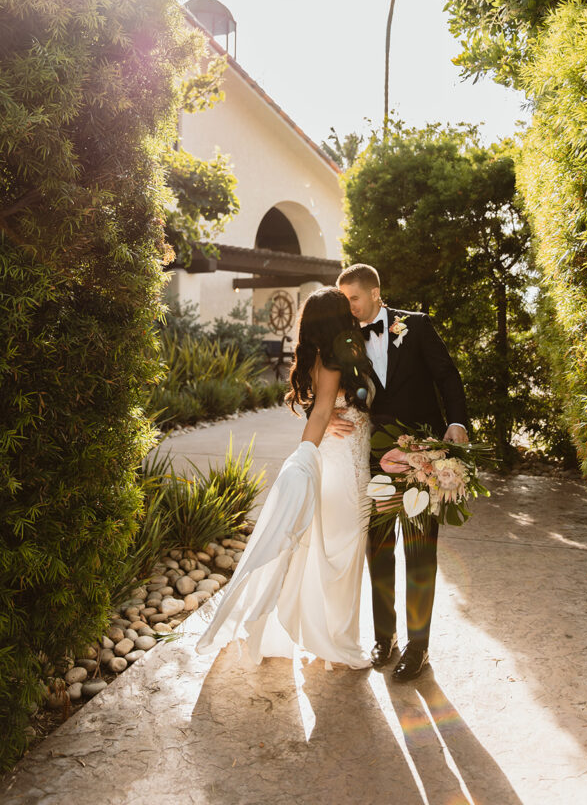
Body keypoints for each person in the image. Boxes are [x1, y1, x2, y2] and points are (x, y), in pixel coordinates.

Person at [196, 286, 374, 669]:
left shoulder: (334, 357)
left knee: (338, 552)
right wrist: (303, 455)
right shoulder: (330, 362)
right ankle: (335, 642)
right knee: (341, 553)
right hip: (341, 467)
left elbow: (325, 410)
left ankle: (333, 637)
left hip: (350, 459)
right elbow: (323, 410)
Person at [334, 263, 469, 681]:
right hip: (373, 459)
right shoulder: (344, 338)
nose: (349, 306)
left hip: (422, 456)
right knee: (379, 551)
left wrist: (458, 423)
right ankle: (384, 637)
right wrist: (321, 418)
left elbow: (448, 377)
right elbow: (322, 384)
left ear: (375, 293)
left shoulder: (419, 326)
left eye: (353, 298)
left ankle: (419, 646)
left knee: (420, 552)